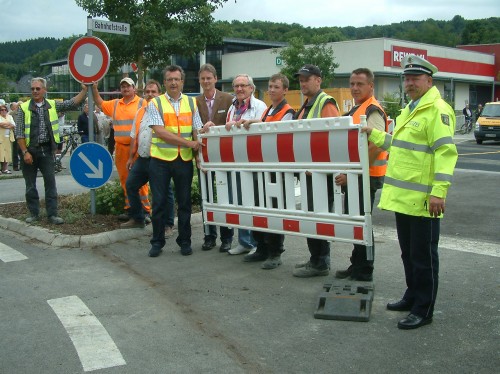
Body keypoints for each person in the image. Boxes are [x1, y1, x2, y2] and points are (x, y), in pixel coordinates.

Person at [362, 54, 458, 329]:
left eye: (415, 78)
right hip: (405, 199)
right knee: (409, 253)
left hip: (425, 200)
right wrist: (373, 133)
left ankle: (423, 308)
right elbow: (398, 145)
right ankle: (411, 295)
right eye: (406, 78)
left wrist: (439, 191)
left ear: (429, 80)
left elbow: (446, 153)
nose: (409, 83)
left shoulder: (437, 110)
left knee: (423, 256)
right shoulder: (411, 109)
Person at [334, 68, 388, 282]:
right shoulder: (358, 108)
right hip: (358, 176)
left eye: (360, 84)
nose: (355, 88)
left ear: (371, 86)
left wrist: (353, 173)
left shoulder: (372, 110)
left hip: (365, 177)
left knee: (362, 224)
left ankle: (364, 270)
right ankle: (356, 264)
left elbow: (375, 146)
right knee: (357, 223)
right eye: (352, 83)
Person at [145, 65, 203, 257]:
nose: (173, 82)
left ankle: (185, 241)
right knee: (159, 203)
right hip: (160, 160)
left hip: (183, 160)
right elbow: (160, 132)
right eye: (169, 79)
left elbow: (197, 129)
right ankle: (157, 242)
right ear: (164, 82)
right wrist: (190, 143)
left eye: (176, 79)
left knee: (185, 203)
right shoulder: (155, 103)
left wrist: (197, 156)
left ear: (182, 82)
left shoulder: (191, 102)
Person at [239, 73, 295, 269]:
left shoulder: (288, 111)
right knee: (258, 208)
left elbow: (279, 132)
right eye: (270, 86)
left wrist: (256, 123)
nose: (271, 90)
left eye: (276, 87)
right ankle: (261, 247)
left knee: (273, 211)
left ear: (285, 90)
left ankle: (275, 252)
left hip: (275, 169)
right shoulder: (268, 110)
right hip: (261, 166)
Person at [15, 77, 88, 224]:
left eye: (38, 88)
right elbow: (19, 133)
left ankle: (52, 215)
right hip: (30, 151)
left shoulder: (52, 105)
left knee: (50, 183)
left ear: (44, 90)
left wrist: (85, 90)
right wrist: (25, 152)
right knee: (30, 185)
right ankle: (34, 213)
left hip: (47, 151)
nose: (35, 91)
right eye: (32, 89)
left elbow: (72, 103)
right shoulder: (24, 108)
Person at [291, 64, 340, 278]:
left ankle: (321, 262)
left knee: (318, 216)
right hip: (309, 171)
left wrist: (318, 167)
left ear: (318, 80)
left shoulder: (325, 102)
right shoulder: (307, 105)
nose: (303, 83)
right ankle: (315, 258)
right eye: (301, 80)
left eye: (307, 79)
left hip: (320, 173)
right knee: (311, 215)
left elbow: (333, 137)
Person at [92, 77, 151, 222]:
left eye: (128, 86)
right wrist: (94, 88)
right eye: (123, 86)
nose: (125, 89)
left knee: (141, 181)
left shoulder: (142, 103)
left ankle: (145, 210)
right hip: (120, 149)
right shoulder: (116, 104)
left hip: (138, 149)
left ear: (134, 89)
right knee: (125, 180)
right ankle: (130, 209)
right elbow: (100, 102)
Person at [121, 79, 175, 233]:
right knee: (131, 185)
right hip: (143, 159)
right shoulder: (140, 112)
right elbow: (134, 135)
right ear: (143, 94)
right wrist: (131, 157)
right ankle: (138, 218)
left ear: (160, 94)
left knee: (165, 191)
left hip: (160, 158)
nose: (150, 94)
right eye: (147, 92)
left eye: (153, 92)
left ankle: (168, 224)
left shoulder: (166, 110)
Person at [223, 74, 267, 256]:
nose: (239, 89)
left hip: (254, 160)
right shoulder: (232, 107)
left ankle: (256, 243)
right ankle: (243, 241)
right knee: (238, 202)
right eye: (236, 86)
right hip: (236, 159)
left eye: (243, 85)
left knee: (253, 202)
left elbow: (264, 126)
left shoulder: (259, 106)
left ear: (251, 88)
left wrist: (249, 123)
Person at [195, 63, 234, 253]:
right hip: (204, 157)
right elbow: (193, 131)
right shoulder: (195, 102)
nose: (205, 81)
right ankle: (209, 236)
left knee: (224, 198)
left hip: (224, 158)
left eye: (209, 78)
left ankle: (227, 238)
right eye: (202, 78)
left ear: (215, 79)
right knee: (206, 198)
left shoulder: (228, 99)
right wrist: (197, 157)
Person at [0, 103, 16, 174]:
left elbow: (13, 125)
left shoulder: (9, 116)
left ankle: (5, 169)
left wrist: (5, 125)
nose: (4, 111)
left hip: (8, 137)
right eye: (2, 110)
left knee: (7, 153)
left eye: (5, 110)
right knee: (1, 153)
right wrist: (8, 124)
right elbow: (0, 124)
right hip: (0, 138)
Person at [8, 101, 21, 171]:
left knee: (22, 150)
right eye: (19, 106)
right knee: (15, 150)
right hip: (15, 134)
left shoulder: (24, 113)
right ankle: (15, 166)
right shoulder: (12, 113)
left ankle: (22, 165)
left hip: (23, 134)